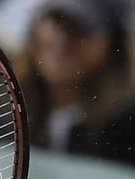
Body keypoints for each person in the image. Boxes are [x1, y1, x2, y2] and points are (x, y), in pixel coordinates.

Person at [15, 0, 135, 165]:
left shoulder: (126, 129)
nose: (61, 39)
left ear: (109, 45)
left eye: (78, 29)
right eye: (54, 20)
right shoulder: (1, 108)